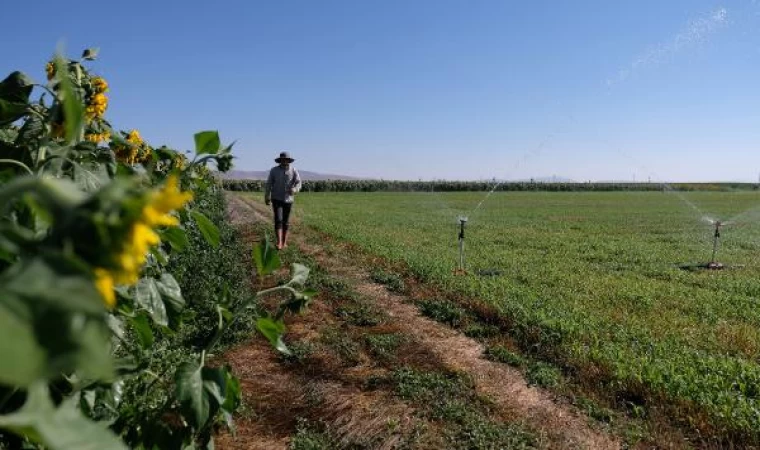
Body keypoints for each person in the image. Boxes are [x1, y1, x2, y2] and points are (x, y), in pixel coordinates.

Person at [264, 151, 302, 250]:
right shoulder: (274, 170)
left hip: (288, 200)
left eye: (286, 159)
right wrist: (267, 196)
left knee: (286, 222)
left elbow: (299, 183)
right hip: (276, 198)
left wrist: (294, 190)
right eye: (282, 159)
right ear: (280, 160)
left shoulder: (293, 170)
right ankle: (279, 242)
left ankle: (284, 242)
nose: (284, 161)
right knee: (278, 220)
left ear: (289, 160)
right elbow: (269, 184)